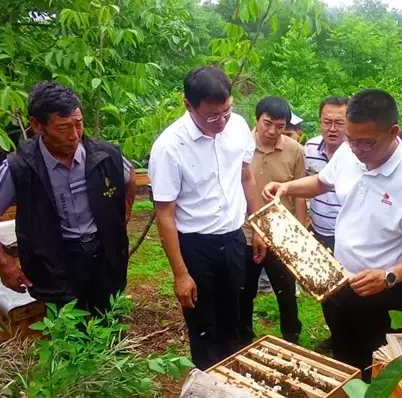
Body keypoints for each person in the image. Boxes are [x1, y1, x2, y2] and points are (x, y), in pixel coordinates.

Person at [263, 89, 402, 380]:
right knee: (344, 357)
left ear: (393, 132)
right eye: (352, 140)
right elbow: (322, 182)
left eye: (366, 142)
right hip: (336, 280)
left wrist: (389, 275)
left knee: (376, 368)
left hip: (382, 293)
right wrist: (286, 187)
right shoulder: (348, 154)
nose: (357, 149)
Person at [0, 82, 136, 315]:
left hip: (105, 256)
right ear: (36, 125)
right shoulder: (20, 168)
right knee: (67, 330)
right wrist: (4, 264)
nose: (74, 136)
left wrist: (122, 218)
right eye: (63, 128)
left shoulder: (105, 155)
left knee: (110, 323)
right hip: (54, 262)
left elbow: (129, 178)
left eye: (78, 124)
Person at [148, 66, 267, 370]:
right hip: (196, 246)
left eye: (226, 111)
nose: (222, 122)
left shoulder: (238, 127)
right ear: (189, 106)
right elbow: (165, 213)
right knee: (204, 324)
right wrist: (180, 273)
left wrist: (257, 227)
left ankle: (237, 380)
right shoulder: (169, 147)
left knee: (238, 314)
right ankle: (209, 382)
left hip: (232, 237)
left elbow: (246, 177)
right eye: (212, 116)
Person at [238, 96, 307, 346]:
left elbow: (299, 193)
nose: (272, 131)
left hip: (282, 232)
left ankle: (292, 336)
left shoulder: (294, 150)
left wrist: (299, 232)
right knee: (244, 290)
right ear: (256, 120)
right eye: (267, 123)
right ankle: (244, 336)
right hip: (246, 231)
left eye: (280, 126)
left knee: (286, 290)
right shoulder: (239, 146)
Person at [304, 95, 348, 354]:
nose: (332, 129)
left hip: (346, 236)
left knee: (345, 291)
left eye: (339, 123)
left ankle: (345, 339)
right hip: (318, 231)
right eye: (326, 122)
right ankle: (335, 334)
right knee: (324, 288)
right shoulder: (309, 148)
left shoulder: (356, 153)